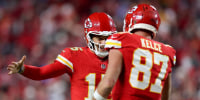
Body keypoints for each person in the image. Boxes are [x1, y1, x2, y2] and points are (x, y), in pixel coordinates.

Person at [7, 12, 117, 100]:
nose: (104, 43)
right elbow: (42, 73)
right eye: (100, 38)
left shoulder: (120, 56)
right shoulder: (74, 56)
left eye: (107, 38)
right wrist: (23, 69)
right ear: (89, 38)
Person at [93, 4, 176, 100]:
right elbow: (165, 97)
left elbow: (108, 83)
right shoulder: (168, 51)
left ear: (131, 22)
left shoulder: (122, 40)